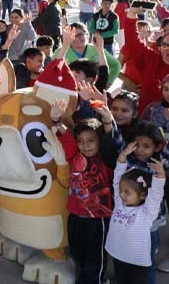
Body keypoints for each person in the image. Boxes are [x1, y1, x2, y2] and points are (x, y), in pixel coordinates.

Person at [106, 142, 165, 284]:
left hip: (138, 263)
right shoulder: (119, 203)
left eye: (127, 192)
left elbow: (156, 195)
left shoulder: (147, 213)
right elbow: (116, 180)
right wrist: (123, 156)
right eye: (121, 190)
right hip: (119, 257)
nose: (121, 194)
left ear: (143, 195)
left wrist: (161, 174)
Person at [66, 118, 116, 284]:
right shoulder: (74, 156)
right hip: (75, 216)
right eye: (80, 141)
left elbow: (111, 142)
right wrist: (57, 120)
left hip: (97, 219)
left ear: (100, 141)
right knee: (77, 253)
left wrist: (107, 121)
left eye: (91, 140)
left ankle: (96, 281)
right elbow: (66, 138)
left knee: (95, 258)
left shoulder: (107, 160)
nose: (85, 145)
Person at [123, 7, 169, 115]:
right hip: (147, 121)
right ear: (160, 47)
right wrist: (131, 15)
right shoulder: (151, 59)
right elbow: (133, 43)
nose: (168, 49)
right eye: (165, 45)